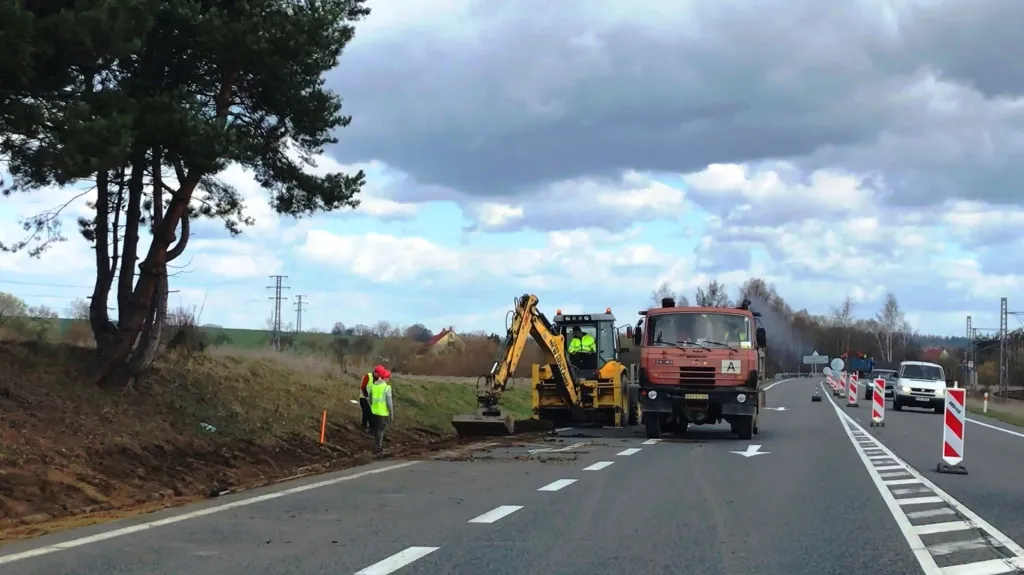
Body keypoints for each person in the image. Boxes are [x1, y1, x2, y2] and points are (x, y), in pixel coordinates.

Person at [367, 368, 394, 455]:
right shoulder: (386, 388)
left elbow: (370, 399)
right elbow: (389, 403)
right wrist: (391, 413)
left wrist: (372, 406)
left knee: (376, 430)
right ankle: (378, 448)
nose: (389, 380)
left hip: (374, 412)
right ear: (386, 378)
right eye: (388, 378)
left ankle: (377, 445)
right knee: (380, 431)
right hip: (383, 413)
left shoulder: (374, 385)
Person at [360, 365, 387, 433]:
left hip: (372, 399)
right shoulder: (368, 376)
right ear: (375, 372)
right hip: (363, 397)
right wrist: (367, 397)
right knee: (366, 412)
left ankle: (371, 428)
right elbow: (363, 387)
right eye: (379, 374)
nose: (379, 376)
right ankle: (365, 427)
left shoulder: (379, 380)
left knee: (371, 413)